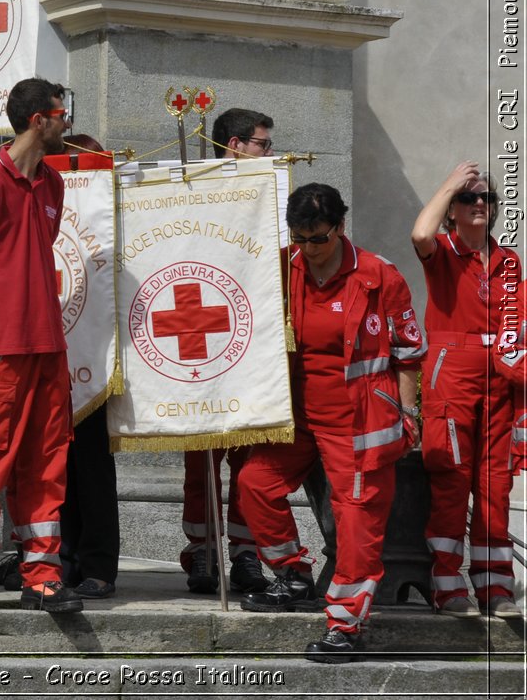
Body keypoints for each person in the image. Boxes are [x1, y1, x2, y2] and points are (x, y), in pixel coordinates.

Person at [237, 183, 423, 663]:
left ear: (340, 227)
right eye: (298, 238)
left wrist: (408, 413)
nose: (308, 249)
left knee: (356, 521)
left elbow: (408, 353)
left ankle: (346, 624)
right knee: (255, 484)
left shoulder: (380, 276)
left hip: (359, 424)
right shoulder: (284, 266)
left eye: (317, 238)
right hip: (297, 418)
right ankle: (293, 575)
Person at [0, 77, 80, 615]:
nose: (66, 123)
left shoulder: (52, 184)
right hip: (2, 350)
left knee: (47, 463)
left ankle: (41, 575)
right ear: (37, 120)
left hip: (48, 348)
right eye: (60, 114)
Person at [412, 160, 523, 619]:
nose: (479, 204)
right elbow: (419, 233)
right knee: (451, 480)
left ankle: (494, 587)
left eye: (486, 198)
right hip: (451, 371)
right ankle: (447, 584)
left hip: (501, 375)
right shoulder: (440, 249)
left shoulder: (509, 260)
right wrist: (450, 183)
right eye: (468, 198)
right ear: (453, 208)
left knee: (495, 485)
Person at [173, 107, 275, 595]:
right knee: (202, 462)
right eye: (262, 144)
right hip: (198, 335)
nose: (268, 153)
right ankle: (203, 551)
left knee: (250, 462)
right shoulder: (190, 192)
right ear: (235, 145)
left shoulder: (269, 196)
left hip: (252, 343)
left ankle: (245, 552)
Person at [53, 133, 120, 600]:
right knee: (54, 469)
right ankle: (63, 559)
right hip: (46, 350)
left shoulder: (106, 210)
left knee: (92, 467)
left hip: (93, 353)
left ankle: (97, 564)